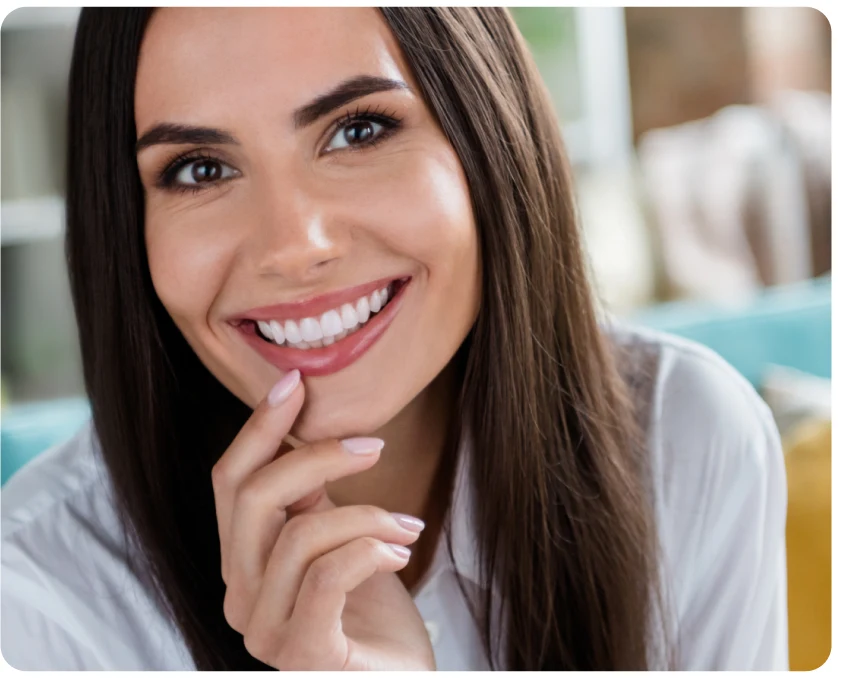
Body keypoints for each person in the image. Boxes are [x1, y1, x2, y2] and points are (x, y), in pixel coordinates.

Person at [0, 7, 789, 671]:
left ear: (490, 136)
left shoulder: (687, 440)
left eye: (359, 129)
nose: (292, 245)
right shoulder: (35, 606)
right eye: (200, 170)